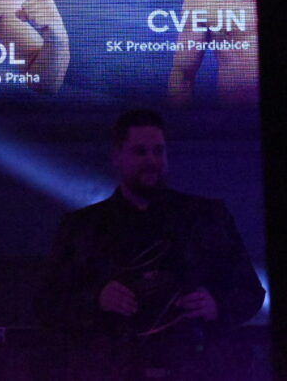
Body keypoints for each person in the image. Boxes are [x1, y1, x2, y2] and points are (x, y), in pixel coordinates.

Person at [35, 109, 265, 381]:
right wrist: (97, 299)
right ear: (117, 157)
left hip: (194, 369)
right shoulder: (83, 228)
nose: (152, 161)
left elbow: (250, 291)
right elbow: (46, 304)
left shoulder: (207, 218)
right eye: (140, 152)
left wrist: (216, 305)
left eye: (158, 151)